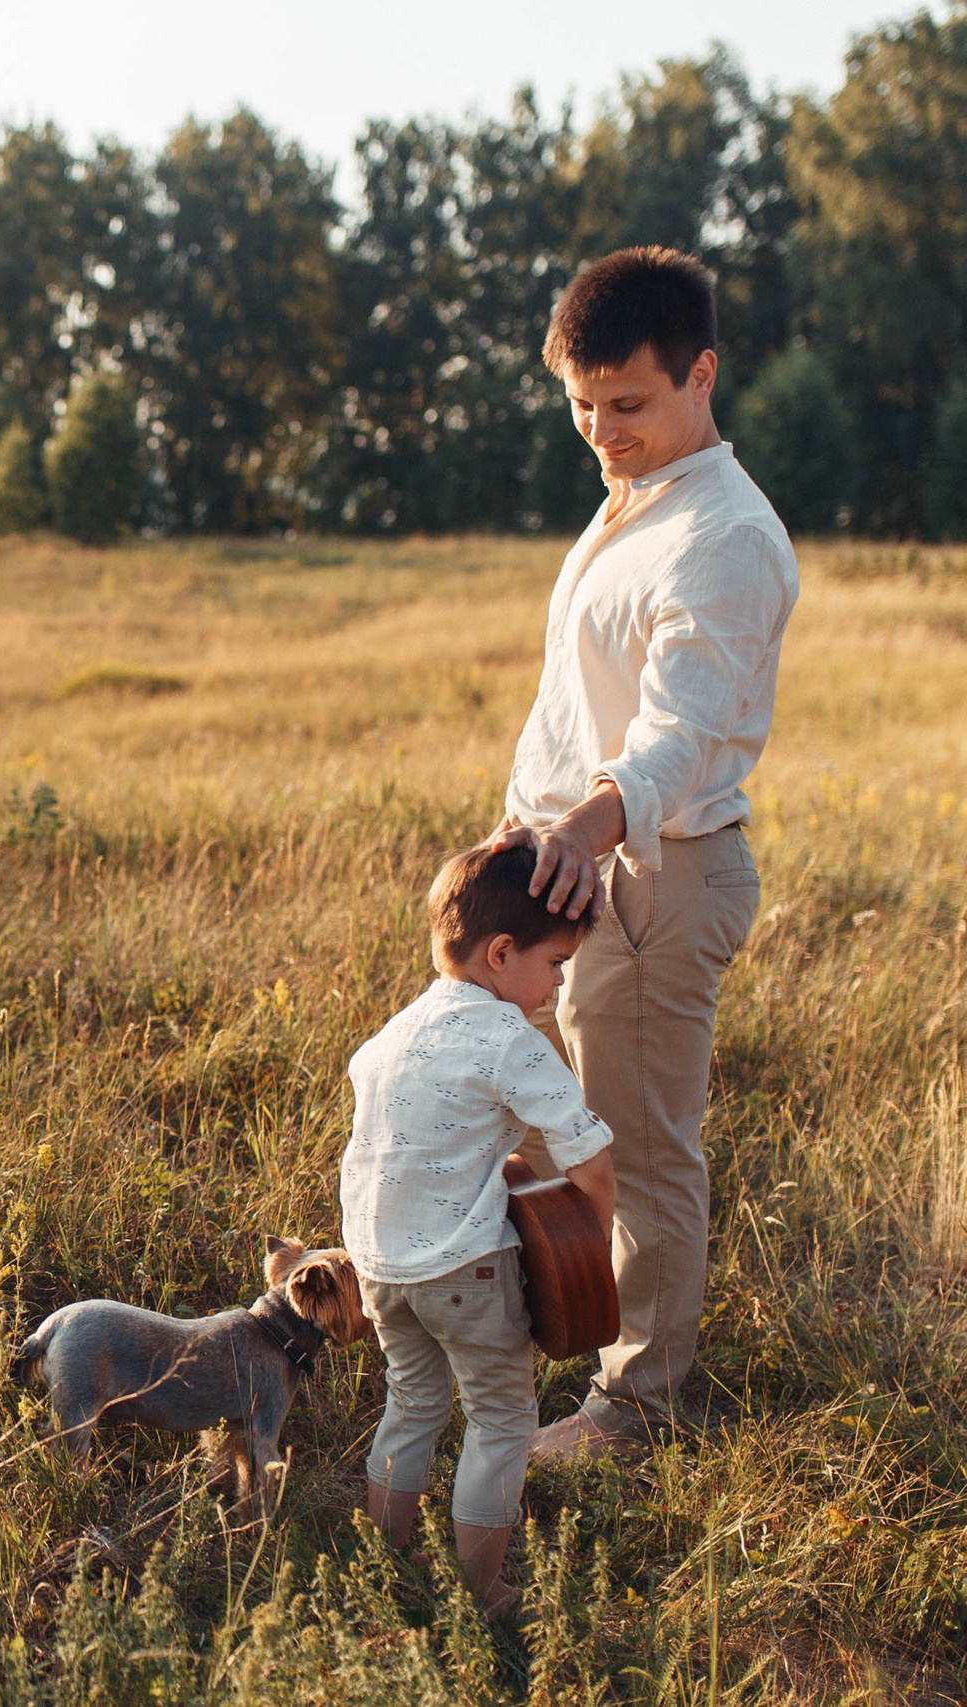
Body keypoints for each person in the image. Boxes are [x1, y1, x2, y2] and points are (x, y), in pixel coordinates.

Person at [493, 246, 797, 1461]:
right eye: (580, 405)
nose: (600, 431)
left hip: (654, 878)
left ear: (700, 374)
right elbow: (573, 700)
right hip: (564, 868)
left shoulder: (724, 537)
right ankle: (521, 1338)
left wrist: (585, 823)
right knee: (524, 1125)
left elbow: (678, 733)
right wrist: (522, 826)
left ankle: (638, 1407)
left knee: (639, 1150)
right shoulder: (633, 498)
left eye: (626, 403)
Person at [343, 842, 618, 1616]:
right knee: (501, 1420)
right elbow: (591, 1158)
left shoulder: (389, 1037)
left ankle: (385, 1562)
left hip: (381, 1268)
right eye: (556, 962)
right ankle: (482, 1593)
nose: (558, 981)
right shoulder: (507, 1037)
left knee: (412, 1405)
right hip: (466, 1269)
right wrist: (586, 1249)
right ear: (502, 954)